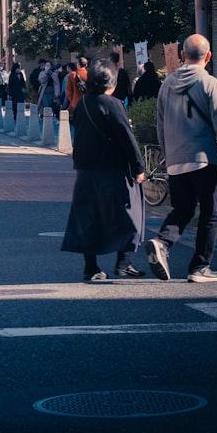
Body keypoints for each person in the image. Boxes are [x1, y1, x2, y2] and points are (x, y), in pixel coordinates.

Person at [146, 34, 217, 284]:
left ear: (183, 56)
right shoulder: (210, 84)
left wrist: (167, 156)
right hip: (204, 159)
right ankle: (200, 267)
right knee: (209, 213)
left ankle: (162, 242)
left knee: (183, 208)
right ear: (208, 56)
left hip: (176, 159)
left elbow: (160, 124)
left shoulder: (167, 84)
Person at [62, 60, 147, 280]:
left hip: (87, 170)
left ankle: (91, 267)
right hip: (114, 170)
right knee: (130, 215)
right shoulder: (113, 104)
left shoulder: (83, 104)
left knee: (89, 217)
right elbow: (127, 138)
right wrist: (139, 167)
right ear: (112, 81)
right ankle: (124, 263)